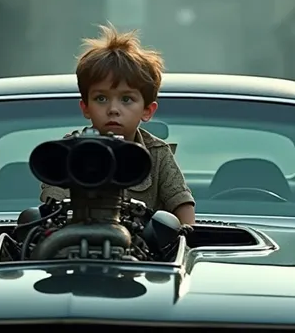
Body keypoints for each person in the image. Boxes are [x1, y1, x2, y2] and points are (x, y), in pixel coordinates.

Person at [40, 23, 195, 225]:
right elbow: (50, 208)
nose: (113, 109)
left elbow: (183, 208)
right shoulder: (67, 152)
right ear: (85, 107)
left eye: (126, 99)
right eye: (101, 99)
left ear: (147, 110)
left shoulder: (156, 154)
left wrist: (183, 234)